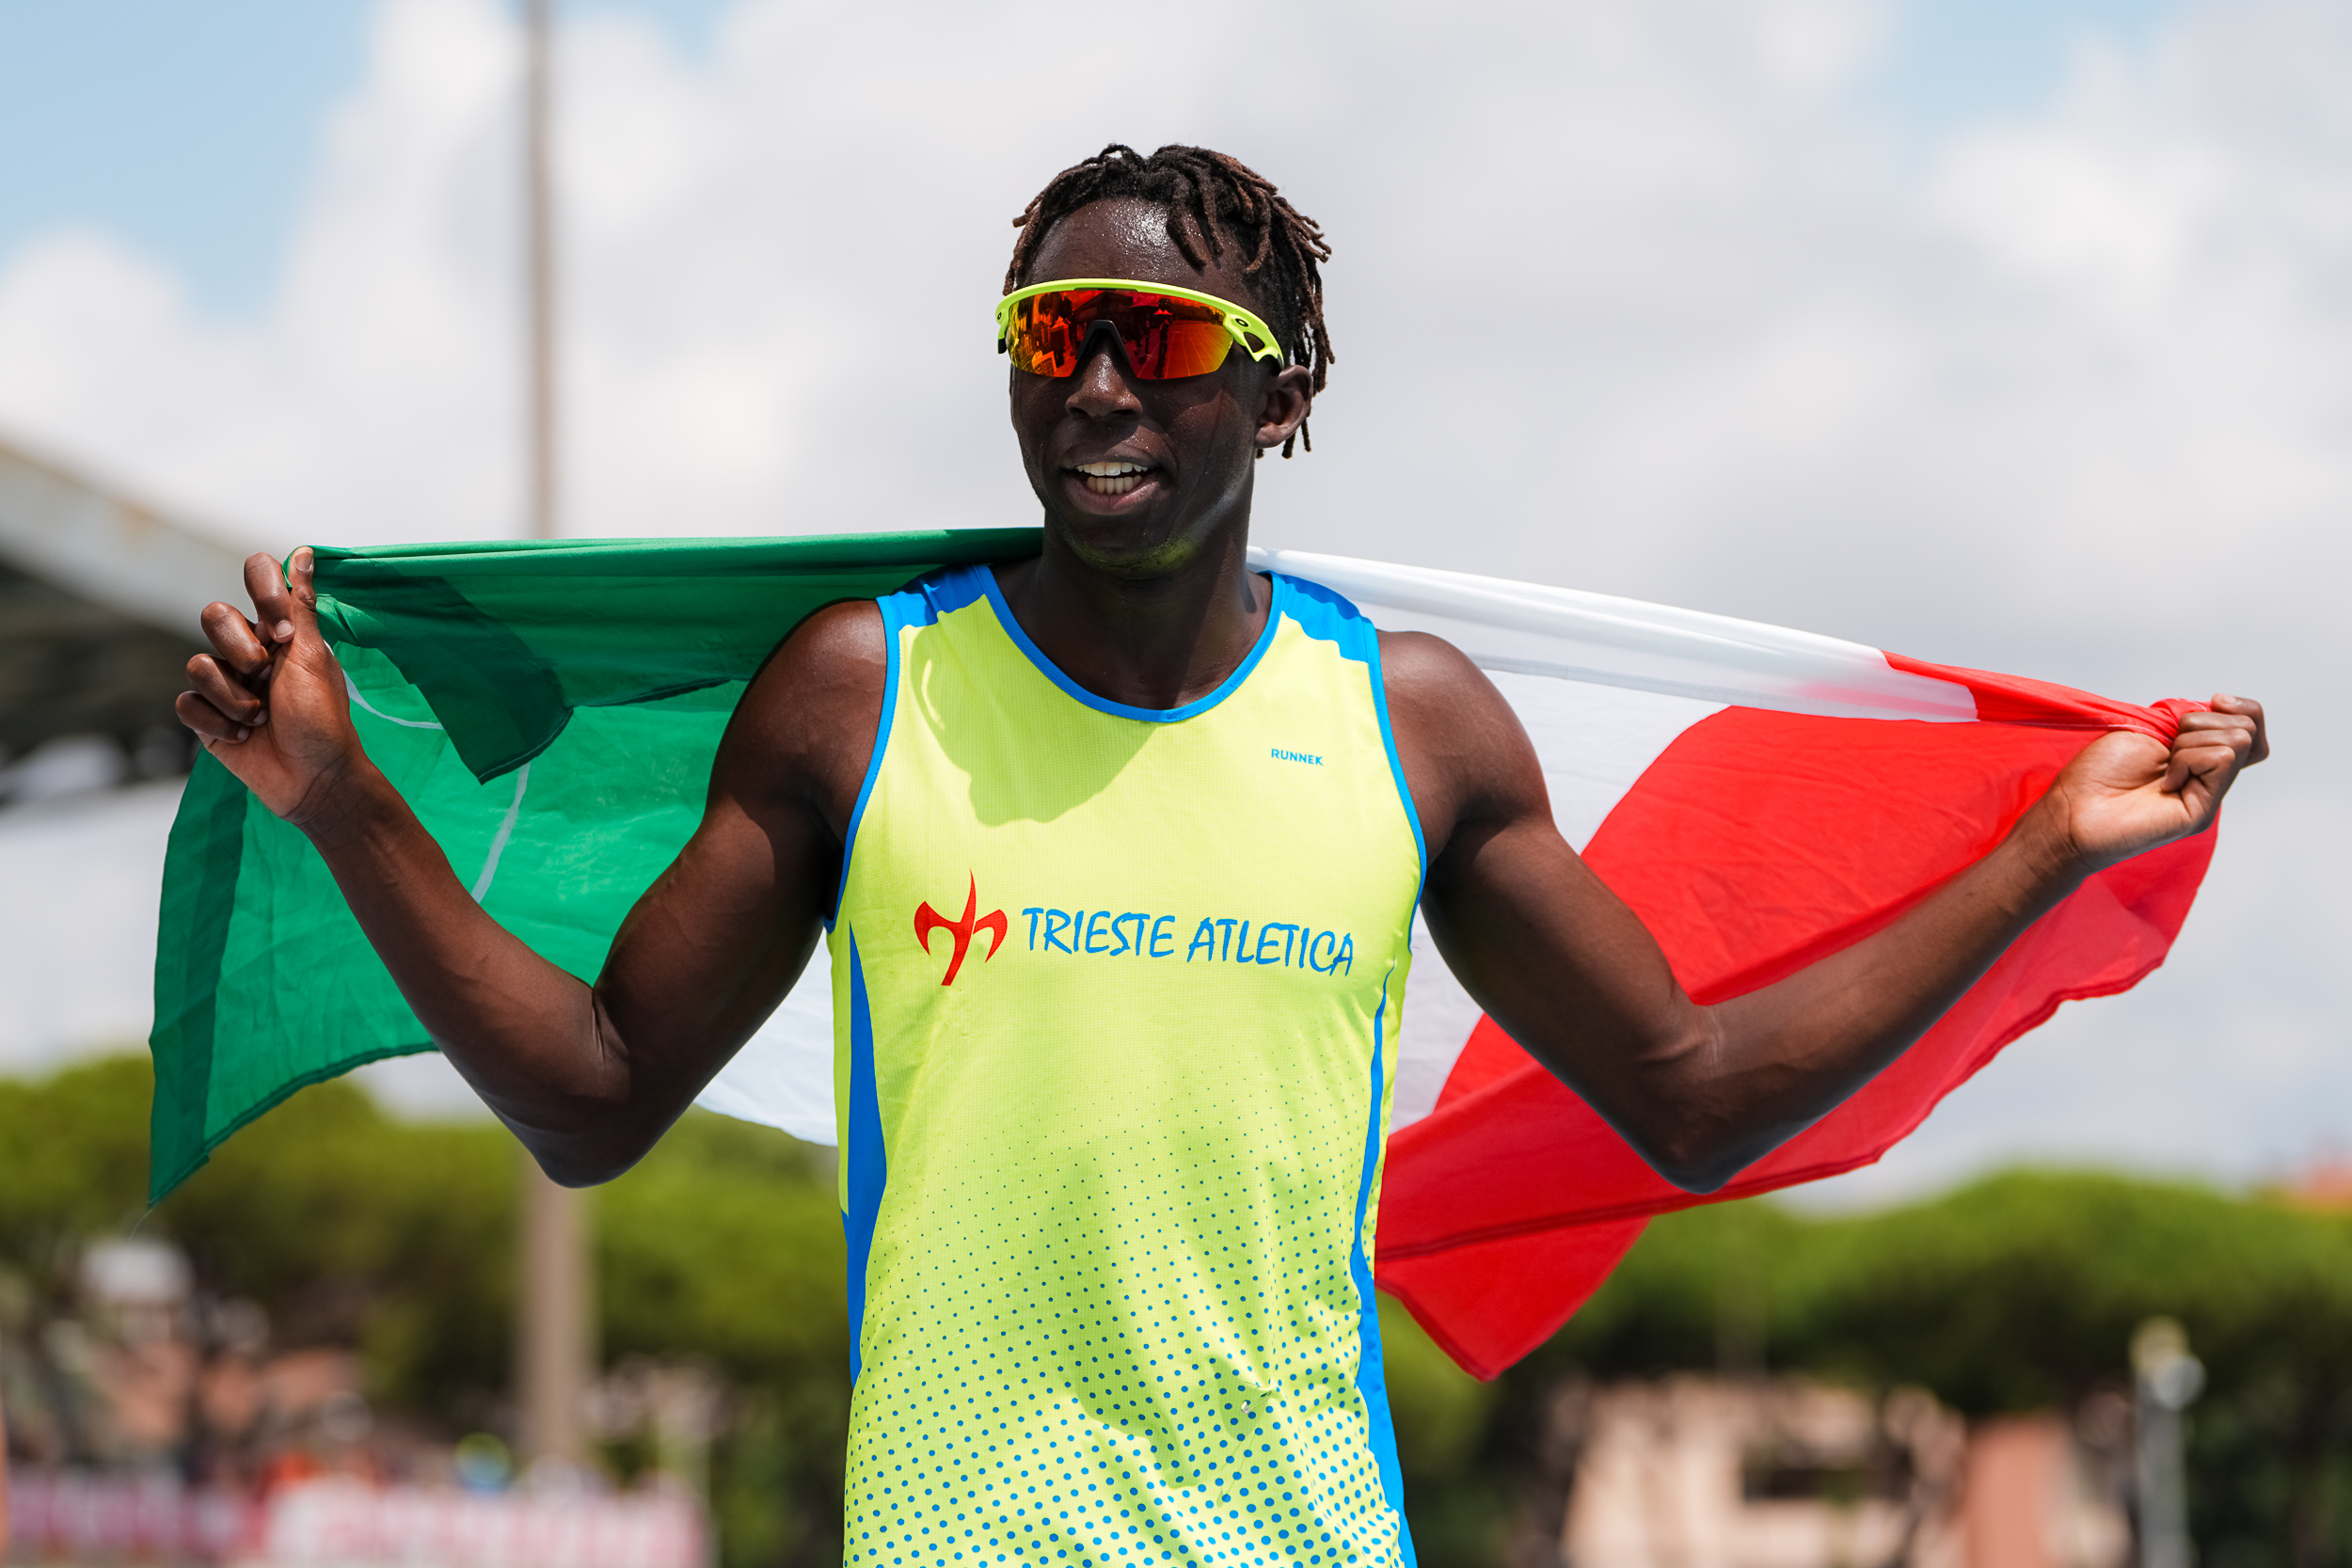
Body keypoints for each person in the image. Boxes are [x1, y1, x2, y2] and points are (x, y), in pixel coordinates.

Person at [175, 144, 2266, 1565]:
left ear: (1278, 399)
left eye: (1160, 341)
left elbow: (1692, 1098)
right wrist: (343, 797)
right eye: (1052, 335)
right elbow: (596, 1100)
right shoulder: (859, 694)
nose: (1096, 385)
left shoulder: (1409, 725)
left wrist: (2038, 856)